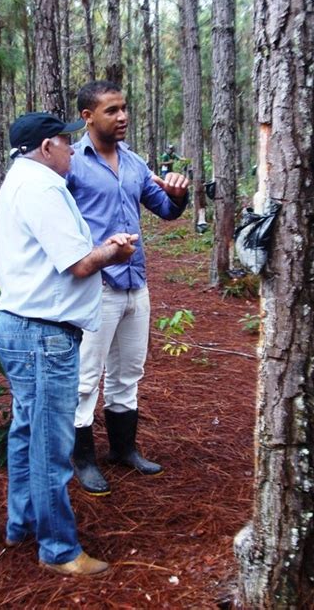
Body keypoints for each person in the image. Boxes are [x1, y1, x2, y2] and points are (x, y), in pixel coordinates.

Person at [0, 112, 138, 577]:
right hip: (42, 334)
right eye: (66, 143)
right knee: (51, 445)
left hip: (20, 324)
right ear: (47, 147)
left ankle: (23, 523)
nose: (73, 150)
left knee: (26, 431)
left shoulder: (18, 180)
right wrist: (115, 250)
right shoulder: (43, 188)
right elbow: (77, 264)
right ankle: (58, 549)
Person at [67, 80, 189, 496]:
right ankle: (81, 458)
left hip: (136, 284)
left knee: (128, 372)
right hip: (95, 287)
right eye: (112, 110)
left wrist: (179, 194)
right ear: (88, 117)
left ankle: (124, 449)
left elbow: (167, 210)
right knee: (86, 378)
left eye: (124, 108)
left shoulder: (135, 163)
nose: (122, 117)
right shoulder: (71, 164)